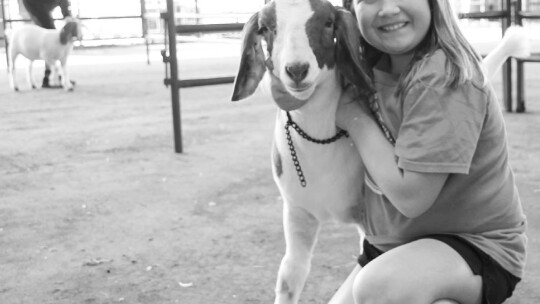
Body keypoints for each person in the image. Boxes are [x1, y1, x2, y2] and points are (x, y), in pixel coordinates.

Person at [330, 1, 527, 304]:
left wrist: (355, 119)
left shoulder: (442, 75)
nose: (387, 9)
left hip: (475, 245)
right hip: (394, 244)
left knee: (379, 288)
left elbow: (413, 197)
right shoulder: (369, 67)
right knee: (376, 288)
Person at [21, 0, 73, 88]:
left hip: (45, 3)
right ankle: (50, 78)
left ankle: (56, 76)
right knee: (50, 34)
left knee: (51, 34)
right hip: (34, 3)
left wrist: (67, 15)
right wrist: (67, 15)